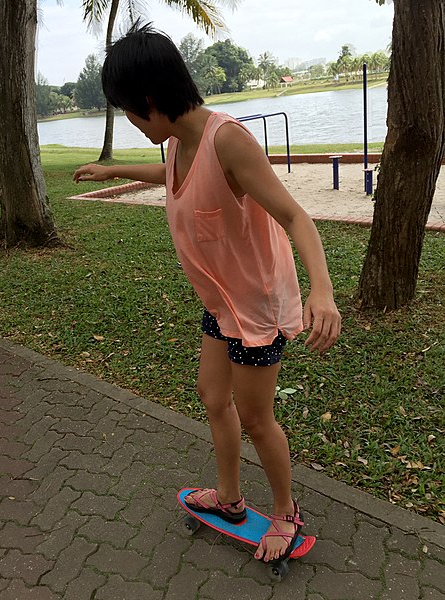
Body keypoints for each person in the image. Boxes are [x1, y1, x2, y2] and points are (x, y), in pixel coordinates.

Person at [73, 21, 341, 564]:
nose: (128, 120)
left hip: (256, 311)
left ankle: (287, 513)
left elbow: (295, 215)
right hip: (221, 304)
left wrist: (323, 292)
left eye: (128, 109)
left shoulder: (228, 140)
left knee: (256, 418)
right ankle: (231, 500)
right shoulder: (179, 143)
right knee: (213, 398)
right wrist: (111, 168)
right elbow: (168, 171)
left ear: (151, 100)